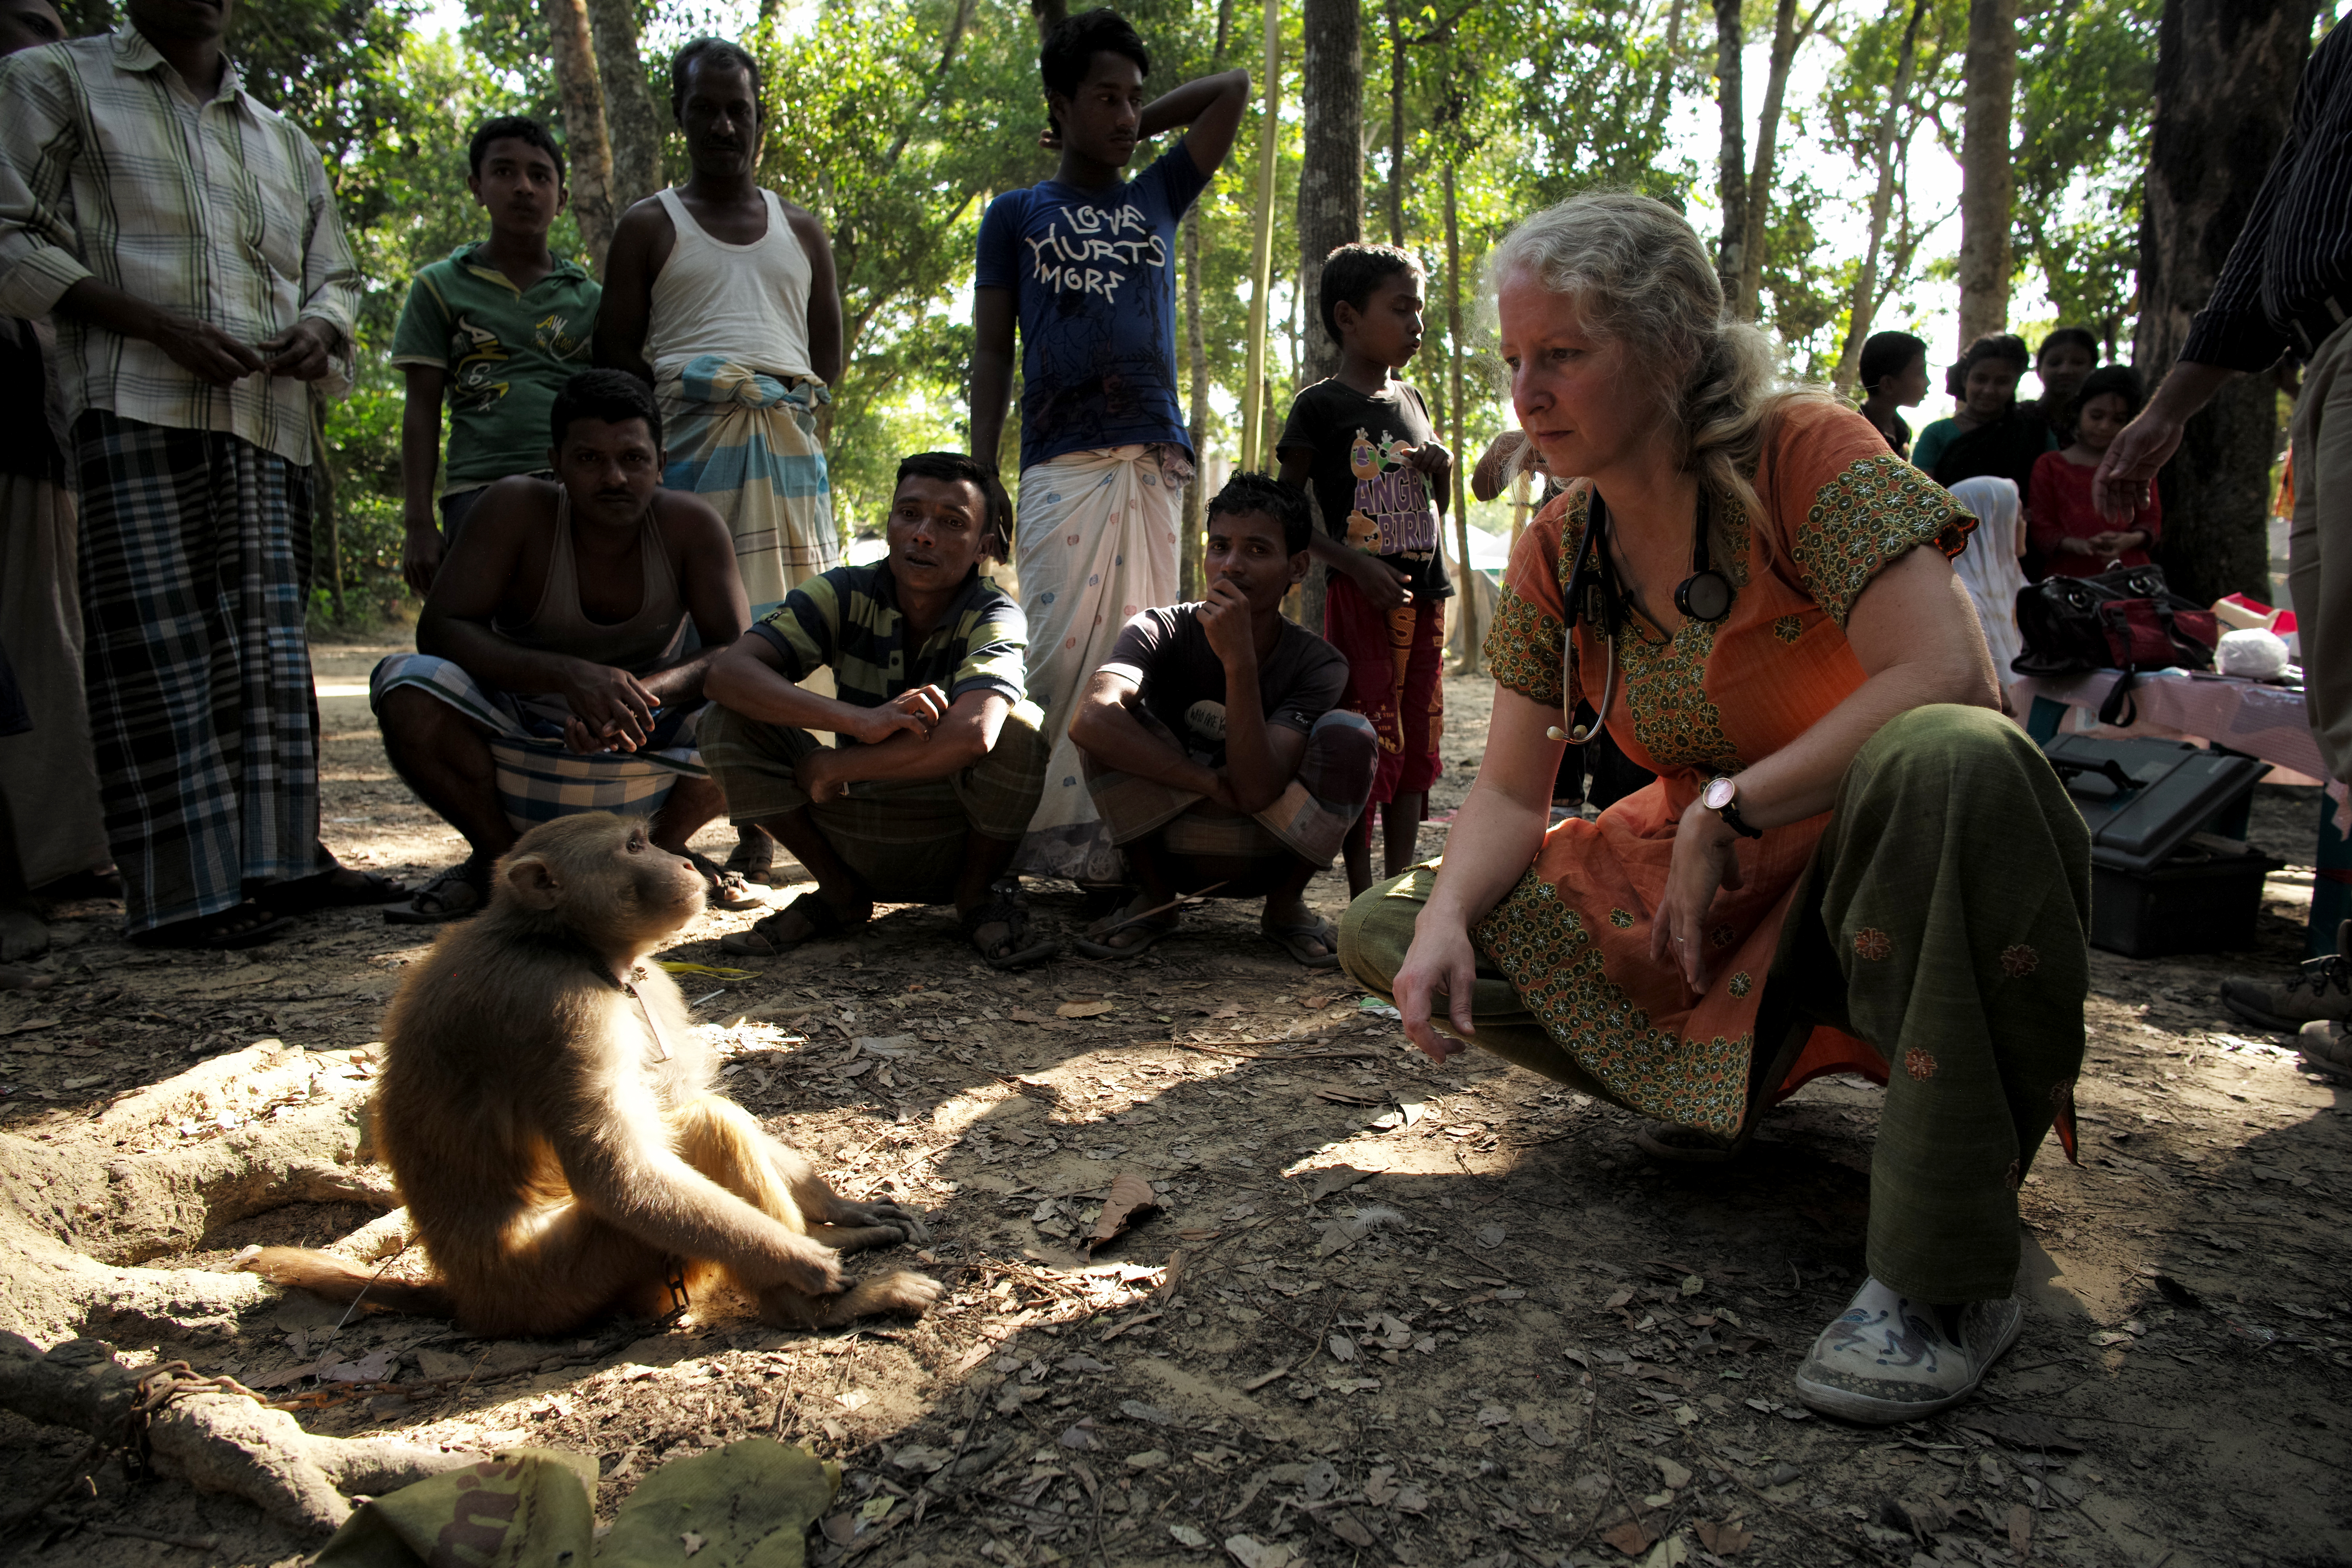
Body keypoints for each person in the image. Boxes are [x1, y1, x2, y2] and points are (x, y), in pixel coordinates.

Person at [1342, 192, 2089, 1425]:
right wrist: (1441, 928)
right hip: (1712, 893)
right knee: (1398, 925)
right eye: (1514, 360)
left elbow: (1950, 677)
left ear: (1675, 341)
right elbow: (1512, 788)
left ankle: (1945, 1273)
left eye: (1564, 354)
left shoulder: (1804, 449)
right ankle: (1710, 1080)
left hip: (1883, 864)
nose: (1526, 390)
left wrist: (1729, 806)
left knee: (1956, 755)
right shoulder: (1559, 543)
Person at [0, 0, 407, 949]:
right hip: (132, 396)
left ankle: (279, 862)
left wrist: (321, 328)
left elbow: (334, 273)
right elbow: (9, 231)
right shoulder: (55, 82)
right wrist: (149, 321)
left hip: (267, 418)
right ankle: (186, 894)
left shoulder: (281, 138)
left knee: (266, 649)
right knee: (155, 641)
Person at [2095, 24, 2352, 1051]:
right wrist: (2172, 406)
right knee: (2340, 689)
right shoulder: (2335, 54)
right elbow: (2276, 221)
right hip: (2324, 350)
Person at [969, 8, 1251, 886]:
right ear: (1059, 103)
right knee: (1057, 654)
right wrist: (981, 472)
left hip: (1151, 459)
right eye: (1106, 98)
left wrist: (1133, 120)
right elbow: (990, 348)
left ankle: (1116, 849)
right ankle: (1028, 840)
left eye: (1136, 98)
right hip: (1062, 459)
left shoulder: (1157, 193)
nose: (1127, 116)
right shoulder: (1016, 213)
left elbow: (1232, 90)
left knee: (1136, 656)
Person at [369, 370, 752, 923]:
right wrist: (569, 677)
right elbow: (441, 628)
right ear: (557, 463)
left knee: (761, 702)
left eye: (633, 459)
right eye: (590, 459)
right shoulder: (515, 508)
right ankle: (504, 864)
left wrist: (633, 701)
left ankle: (662, 851)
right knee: (406, 685)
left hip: (640, 752)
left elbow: (734, 651)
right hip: (521, 736)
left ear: (661, 463)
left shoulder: (691, 525)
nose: (615, 477)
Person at [599, 36, 845, 890]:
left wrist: (771, 405)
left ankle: (767, 822)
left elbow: (827, 357)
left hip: (788, 462)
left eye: (737, 108)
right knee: (708, 643)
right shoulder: (648, 226)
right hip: (695, 459)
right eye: (703, 108)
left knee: (792, 640)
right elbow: (616, 358)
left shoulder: (801, 231)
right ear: (681, 117)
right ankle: (676, 819)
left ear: (760, 120)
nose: (722, 124)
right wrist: (700, 400)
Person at [699, 453, 1057, 969]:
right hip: (849, 830)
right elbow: (728, 674)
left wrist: (839, 764)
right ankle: (839, 893)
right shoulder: (841, 592)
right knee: (725, 721)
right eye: (909, 514)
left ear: (985, 547)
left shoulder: (995, 613)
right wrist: (859, 721)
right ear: (891, 522)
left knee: (1019, 729)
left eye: (951, 522)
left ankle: (977, 899)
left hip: (953, 839)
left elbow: (975, 734)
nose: (923, 535)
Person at [1067, 473, 1378, 967]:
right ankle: (1154, 899)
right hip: (1170, 837)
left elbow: (1256, 792)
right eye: (1220, 546)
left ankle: (1284, 908)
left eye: (1257, 550)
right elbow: (1089, 721)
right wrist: (1209, 782)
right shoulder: (1156, 629)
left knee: (1351, 735)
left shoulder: (1319, 662)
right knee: (1113, 723)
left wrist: (1239, 662)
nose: (1231, 565)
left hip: (1268, 846)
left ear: (1297, 566)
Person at [1276, 242, 1452, 897]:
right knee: (1369, 738)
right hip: (1360, 600)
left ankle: (1400, 891)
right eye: (1401, 308)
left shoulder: (1412, 397)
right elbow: (1284, 511)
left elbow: (1433, 511)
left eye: (1421, 311)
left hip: (1424, 595)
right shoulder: (1317, 408)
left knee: (1416, 744)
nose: (1417, 325)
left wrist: (1445, 473)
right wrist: (1352, 566)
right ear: (1348, 317)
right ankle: (1359, 894)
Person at [0, 0, 116, 960]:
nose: (34, 46)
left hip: (30, 437)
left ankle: (58, 858)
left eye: (44, 22)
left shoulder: (71, 138)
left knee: (41, 640)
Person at [392, 115, 599, 594]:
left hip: (576, 489)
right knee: (488, 629)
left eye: (540, 176)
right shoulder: (439, 286)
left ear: (562, 199)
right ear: (477, 187)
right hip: (478, 489)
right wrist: (418, 524)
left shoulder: (590, 299)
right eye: (505, 172)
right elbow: (421, 409)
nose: (524, 187)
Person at [2028, 366, 2160, 578]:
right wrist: (2078, 545)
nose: (2105, 426)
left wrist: (2128, 540)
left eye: (2118, 420)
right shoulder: (2050, 465)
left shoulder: (2137, 465)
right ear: (2079, 411)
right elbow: (2041, 527)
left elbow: (2151, 522)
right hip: (2069, 579)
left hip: (2129, 574)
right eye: (2096, 416)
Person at [1945, 475, 2030, 680]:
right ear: (1995, 525)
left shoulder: (2014, 579)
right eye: (2017, 516)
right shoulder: (1965, 604)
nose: (2024, 524)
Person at [1855, 330, 1929, 460]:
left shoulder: (1902, 431)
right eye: (1920, 373)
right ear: (1887, 385)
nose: (1928, 382)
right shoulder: (1856, 433)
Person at [2021, 325, 2098, 447]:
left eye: (2077, 363)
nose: (2065, 371)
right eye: (2055, 363)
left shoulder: (2101, 424)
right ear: (2039, 369)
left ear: (2093, 369)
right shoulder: (2020, 418)